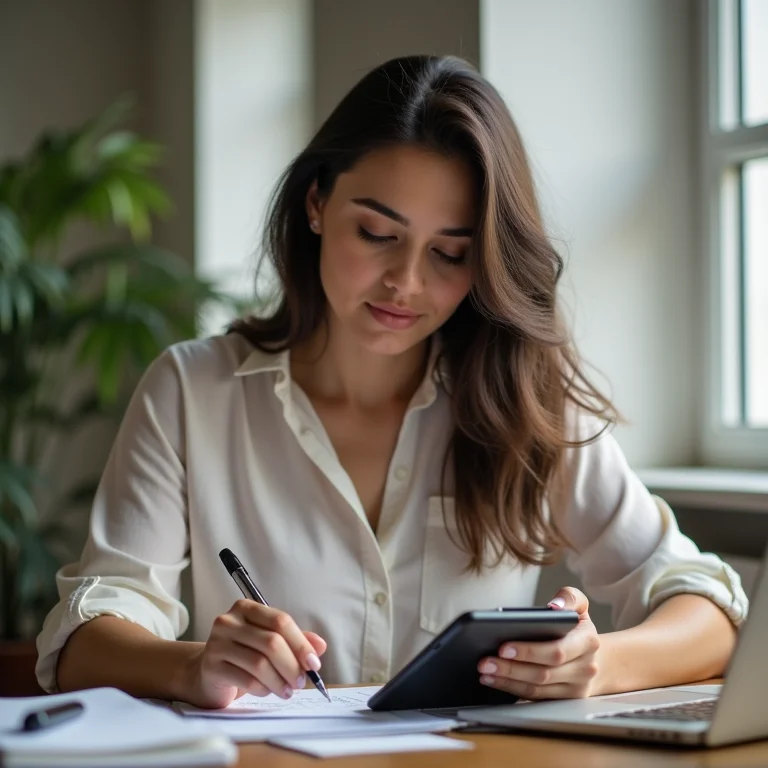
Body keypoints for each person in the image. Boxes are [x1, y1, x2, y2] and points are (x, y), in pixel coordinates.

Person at [36, 55, 747, 709]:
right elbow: (82, 639)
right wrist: (194, 666)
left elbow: (709, 609)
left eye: (449, 252)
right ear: (316, 204)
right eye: (378, 234)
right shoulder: (192, 392)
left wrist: (597, 664)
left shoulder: (524, 400)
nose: (407, 283)